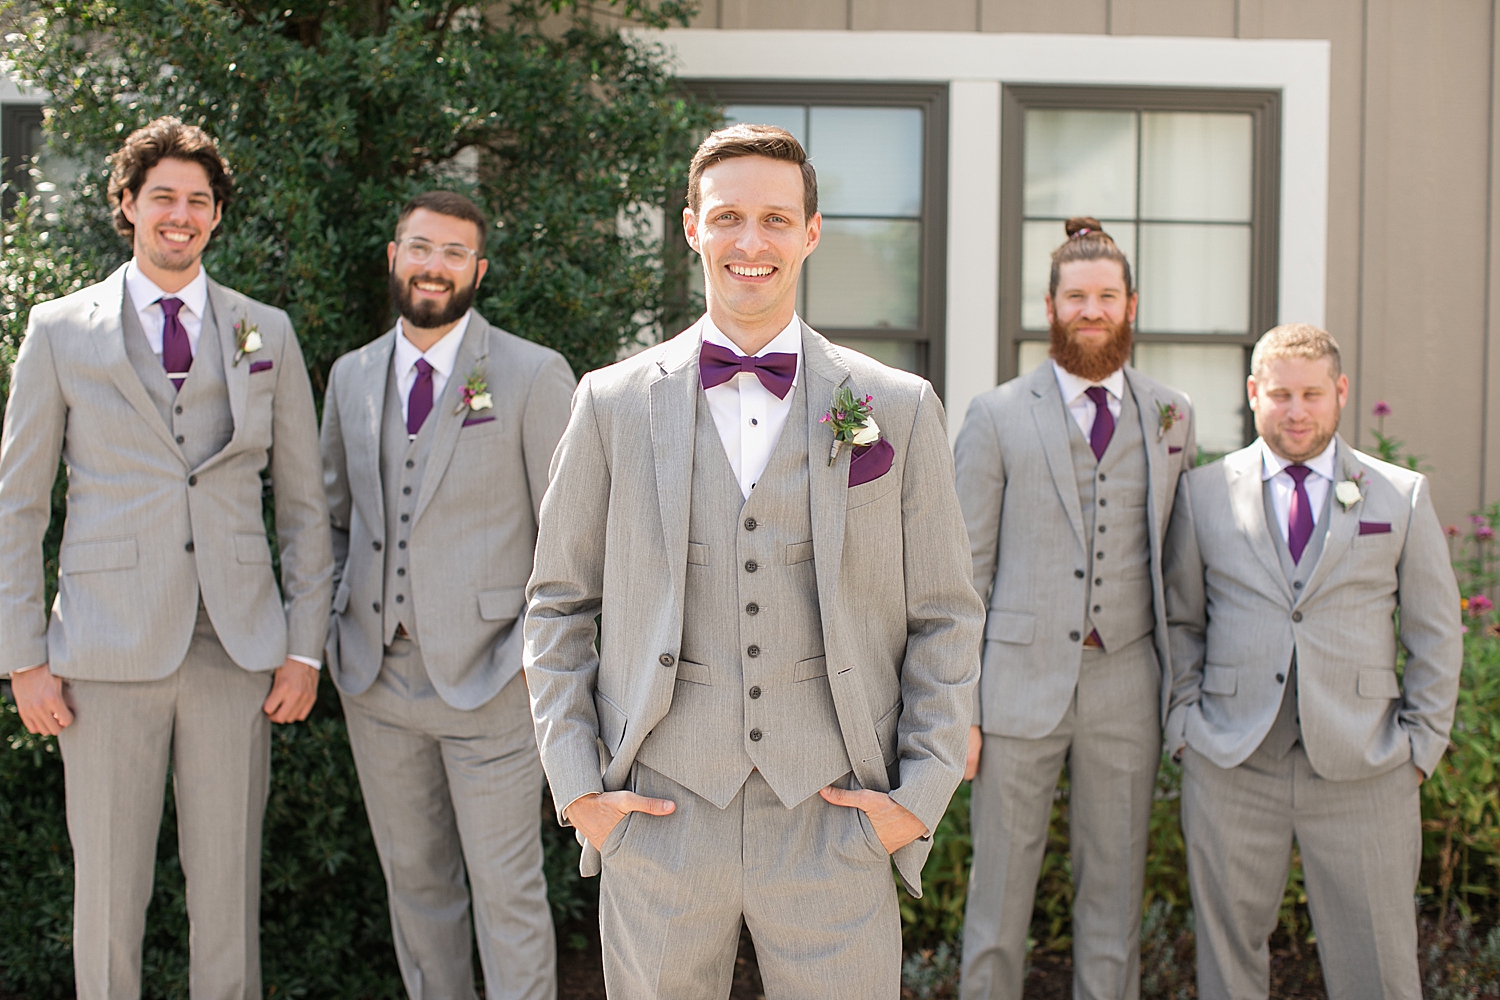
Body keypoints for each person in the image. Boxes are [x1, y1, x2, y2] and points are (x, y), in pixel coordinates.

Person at [522, 123, 984, 999]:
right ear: (691, 227)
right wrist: (581, 793)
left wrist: (914, 800)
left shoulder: (896, 405)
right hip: (659, 816)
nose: (750, 242)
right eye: (728, 216)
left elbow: (947, 614)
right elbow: (557, 607)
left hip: (835, 814)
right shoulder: (611, 403)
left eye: (775, 219)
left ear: (811, 233)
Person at [0, 116, 332, 999]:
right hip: (105, 654)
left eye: (197, 200)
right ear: (127, 206)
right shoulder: (61, 330)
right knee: (108, 891)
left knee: (227, 889)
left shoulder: (268, 332)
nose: (179, 215)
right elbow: (18, 505)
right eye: (162, 198)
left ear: (217, 216)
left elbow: (303, 507)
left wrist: (305, 647)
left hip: (236, 648)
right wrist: (22, 658)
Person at [320, 190, 574, 1000]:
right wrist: (333, 629)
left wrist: (537, 661)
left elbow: (572, 538)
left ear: (479, 270)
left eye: (454, 253)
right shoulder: (351, 375)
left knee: (508, 897)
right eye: (421, 248)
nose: (435, 266)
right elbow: (331, 518)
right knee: (417, 890)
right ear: (394, 255)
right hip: (376, 680)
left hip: (494, 685)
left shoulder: (533, 375)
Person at [1163, 323, 1462, 1000]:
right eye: (1280, 395)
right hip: (1233, 761)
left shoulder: (1398, 495)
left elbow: (1436, 633)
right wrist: (1185, 725)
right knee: (1228, 964)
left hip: (1367, 766)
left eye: (1311, 394)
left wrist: (1421, 746)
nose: (1296, 410)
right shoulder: (1204, 492)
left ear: (1340, 393)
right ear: (1253, 395)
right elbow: (1182, 620)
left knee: (1379, 968)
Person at [954, 217, 1196, 1000]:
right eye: (1076, 296)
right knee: (997, 898)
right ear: (1051, 307)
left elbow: (1181, 565)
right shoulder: (995, 415)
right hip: (1015, 687)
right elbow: (964, 577)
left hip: (1127, 686)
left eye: (1106, 296)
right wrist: (960, 706)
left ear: (1131, 306)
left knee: (1115, 897)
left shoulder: (1171, 415)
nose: (1091, 310)